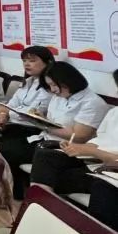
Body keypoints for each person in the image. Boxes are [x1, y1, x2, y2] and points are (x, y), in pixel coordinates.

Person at [0, 61, 108, 187]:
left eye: (54, 85)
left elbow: (79, 136)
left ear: (68, 81)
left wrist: (43, 125)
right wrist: (40, 118)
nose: (52, 90)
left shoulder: (92, 103)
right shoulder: (59, 96)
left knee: (8, 152)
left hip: (66, 149)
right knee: (0, 148)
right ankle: (13, 191)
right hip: (44, 139)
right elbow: (53, 121)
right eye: (50, 85)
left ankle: (20, 194)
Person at [30, 70, 118, 201]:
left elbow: (84, 138)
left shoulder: (93, 102)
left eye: (54, 85)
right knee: (46, 156)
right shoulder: (114, 112)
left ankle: (41, 203)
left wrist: (92, 151)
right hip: (95, 162)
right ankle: (37, 203)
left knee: (102, 188)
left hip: (109, 170)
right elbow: (100, 139)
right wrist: (77, 147)